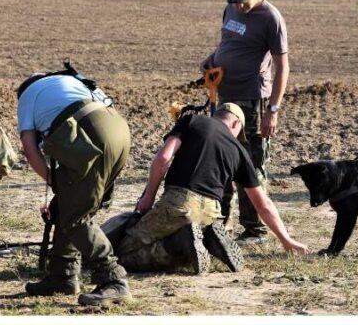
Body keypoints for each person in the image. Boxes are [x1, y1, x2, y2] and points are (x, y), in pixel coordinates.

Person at [119, 104, 307, 272]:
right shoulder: (240, 151)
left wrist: (149, 196)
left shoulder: (192, 121)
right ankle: (207, 239)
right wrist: (286, 241)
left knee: (123, 253)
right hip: (211, 214)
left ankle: (178, 244)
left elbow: (163, 158)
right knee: (188, 237)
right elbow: (263, 204)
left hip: (179, 202)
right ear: (236, 125)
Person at [17, 71, 131, 307]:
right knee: (67, 205)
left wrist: (52, 180)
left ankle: (114, 281)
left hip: (90, 134)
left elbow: (30, 149)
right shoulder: (70, 81)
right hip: (119, 130)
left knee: (76, 216)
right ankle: (62, 275)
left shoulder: (27, 96)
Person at [201, 0, 289, 241]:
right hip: (224, 96)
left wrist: (272, 110)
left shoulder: (270, 18)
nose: (238, 4)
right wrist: (212, 59)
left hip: (254, 100)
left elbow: (282, 66)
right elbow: (227, 42)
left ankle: (255, 229)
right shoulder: (230, 10)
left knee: (251, 165)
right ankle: (219, 225)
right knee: (222, 159)